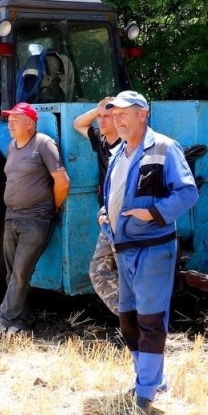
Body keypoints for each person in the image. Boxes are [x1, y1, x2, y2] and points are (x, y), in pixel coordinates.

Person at [98, 91, 198, 415]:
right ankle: (152, 380)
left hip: (153, 248)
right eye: (114, 115)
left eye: (123, 114)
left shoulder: (164, 148)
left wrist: (154, 213)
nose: (117, 120)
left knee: (150, 320)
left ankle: (145, 393)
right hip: (123, 248)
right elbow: (115, 194)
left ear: (143, 114)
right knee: (128, 320)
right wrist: (105, 214)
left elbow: (188, 193)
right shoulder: (118, 153)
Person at [0, 103, 69, 335]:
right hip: (12, 216)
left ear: (30, 124)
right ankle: (20, 322)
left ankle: (3, 319)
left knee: (21, 272)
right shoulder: (12, 146)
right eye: (9, 120)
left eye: (15, 120)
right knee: (12, 274)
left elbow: (62, 182)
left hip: (36, 218)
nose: (10, 124)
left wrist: (52, 207)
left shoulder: (43, 143)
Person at [74, 97, 122, 313]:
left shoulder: (128, 147)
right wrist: (99, 109)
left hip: (125, 218)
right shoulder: (101, 140)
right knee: (99, 271)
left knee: (127, 272)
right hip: (107, 217)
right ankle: (130, 319)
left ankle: (142, 323)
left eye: (107, 117)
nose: (101, 121)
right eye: (99, 117)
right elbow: (78, 124)